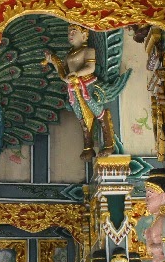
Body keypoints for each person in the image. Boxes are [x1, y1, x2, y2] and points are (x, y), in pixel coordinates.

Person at [43, 24, 116, 160]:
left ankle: (109, 143)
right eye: (69, 32)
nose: (70, 35)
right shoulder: (69, 55)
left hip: (87, 85)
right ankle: (88, 146)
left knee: (96, 109)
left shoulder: (88, 51)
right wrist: (54, 61)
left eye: (73, 32)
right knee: (80, 116)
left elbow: (90, 67)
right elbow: (64, 72)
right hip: (73, 88)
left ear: (84, 35)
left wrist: (77, 74)